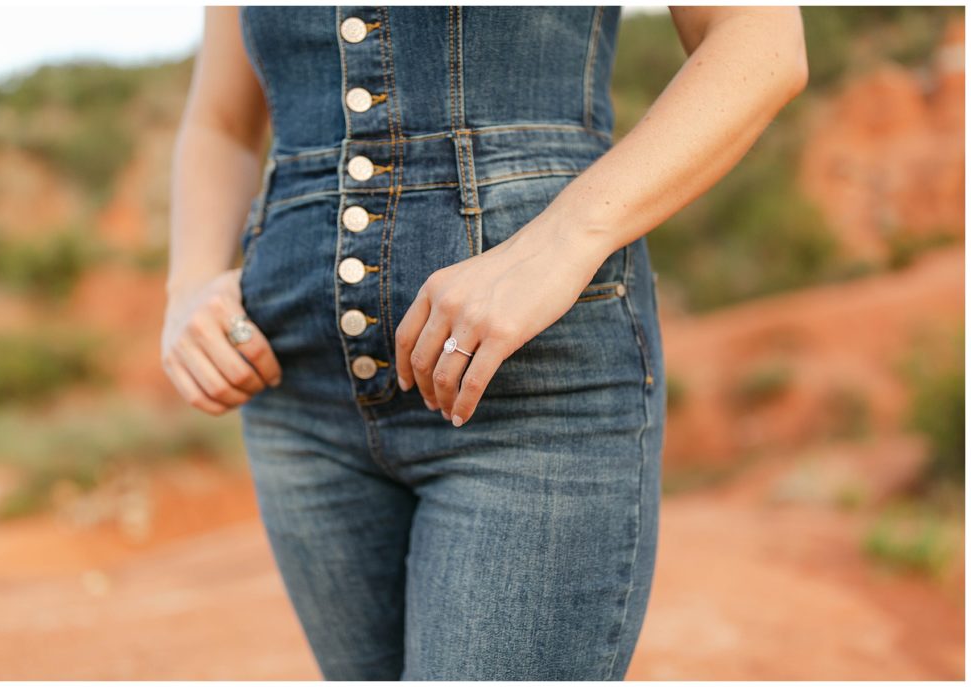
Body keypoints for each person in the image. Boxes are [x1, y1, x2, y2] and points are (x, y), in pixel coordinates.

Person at [162, 5, 807, 680]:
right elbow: (223, 121)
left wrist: (565, 237)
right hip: (298, 391)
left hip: (532, 379)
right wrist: (188, 285)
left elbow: (760, 40)